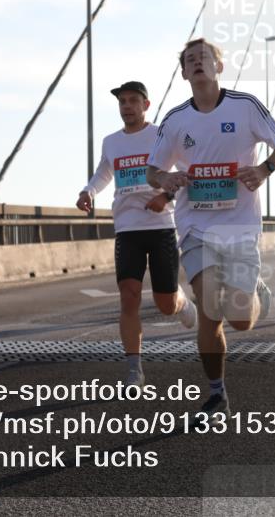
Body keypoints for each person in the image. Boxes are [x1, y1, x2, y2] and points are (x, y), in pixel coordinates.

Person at [147, 38, 275, 420]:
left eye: (204, 58)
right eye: (190, 60)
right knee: (211, 308)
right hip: (196, 227)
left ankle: (256, 290)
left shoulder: (245, 107)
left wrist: (264, 170)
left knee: (240, 319)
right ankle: (216, 394)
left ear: (219, 66)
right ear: (183, 73)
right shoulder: (176, 120)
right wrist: (166, 178)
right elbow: (152, 169)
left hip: (241, 227)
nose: (198, 63)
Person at [77, 81, 197, 389]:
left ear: (146, 105)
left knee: (165, 303)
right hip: (127, 228)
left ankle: (182, 303)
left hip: (161, 228)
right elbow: (105, 171)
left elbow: (185, 173)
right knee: (128, 297)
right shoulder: (111, 142)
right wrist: (88, 191)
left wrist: (166, 198)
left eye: (133, 101)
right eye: (122, 102)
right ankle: (134, 369)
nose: (126, 106)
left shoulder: (162, 135)